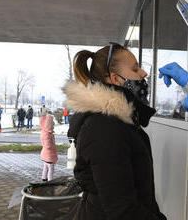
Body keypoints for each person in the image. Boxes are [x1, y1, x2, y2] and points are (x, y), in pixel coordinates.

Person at [63, 44, 167, 219]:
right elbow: (122, 209)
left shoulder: (118, 122)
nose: (143, 74)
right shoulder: (104, 127)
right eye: (135, 69)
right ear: (115, 79)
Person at [40, 114, 57, 181]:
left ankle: (44, 178)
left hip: (45, 154)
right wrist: (52, 146)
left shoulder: (45, 132)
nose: (53, 126)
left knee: (46, 167)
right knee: (51, 168)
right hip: (49, 154)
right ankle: (50, 180)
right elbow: (48, 145)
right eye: (52, 125)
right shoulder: (47, 134)